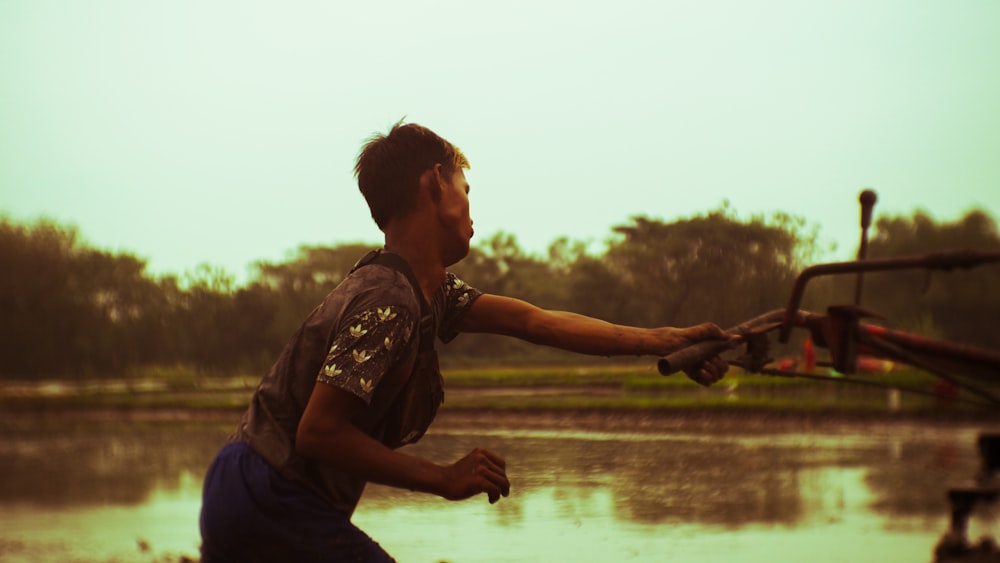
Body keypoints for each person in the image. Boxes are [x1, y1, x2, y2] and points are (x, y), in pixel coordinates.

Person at [198, 121, 731, 562]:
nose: (471, 208)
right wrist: (443, 478)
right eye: (465, 189)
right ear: (435, 183)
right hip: (267, 490)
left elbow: (537, 322)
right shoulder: (389, 299)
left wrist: (666, 340)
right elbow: (318, 432)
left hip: (254, 489)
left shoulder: (428, 292)